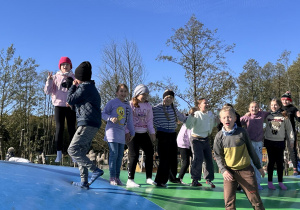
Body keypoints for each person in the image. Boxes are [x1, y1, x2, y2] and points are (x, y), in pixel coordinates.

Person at [213, 106, 265, 210]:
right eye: (224, 117)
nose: (227, 119)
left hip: (246, 171)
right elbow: (217, 155)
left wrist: (259, 167)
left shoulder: (242, 132)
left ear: (235, 118)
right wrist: (223, 170)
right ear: (220, 120)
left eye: (230, 117)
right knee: (229, 203)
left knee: (255, 200)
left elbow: (251, 150)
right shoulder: (219, 136)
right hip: (229, 173)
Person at [67, 61, 104, 189]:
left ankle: (95, 170)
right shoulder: (90, 88)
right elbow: (82, 106)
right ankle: (84, 182)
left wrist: (72, 87)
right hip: (92, 123)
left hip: (86, 124)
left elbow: (70, 99)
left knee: (72, 150)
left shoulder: (84, 87)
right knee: (81, 151)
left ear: (80, 78)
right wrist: (73, 106)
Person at [44, 57, 76, 162]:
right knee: (59, 129)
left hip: (70, 106)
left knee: (72, 129)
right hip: (58, 105)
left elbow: (78, 91)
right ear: (60, 66)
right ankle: (59, 154)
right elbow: (47, 91)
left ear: (70, 66)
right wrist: (49, 80)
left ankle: (72, 154)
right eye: (63, 65)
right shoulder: (55, 77)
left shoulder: (74, 77)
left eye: (67, 64)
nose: (65, 66)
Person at [102, 84, 135, 186]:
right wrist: (110, 118)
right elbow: (103, 113)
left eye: (125, 91)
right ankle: (112, 177)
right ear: (117, 92)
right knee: (114, 153)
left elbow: (129, 121)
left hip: (121, 133)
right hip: (111, 131)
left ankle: (117, 177)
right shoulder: (112, 102)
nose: (123, 93)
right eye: (121, 91)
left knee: (120, 156)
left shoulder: (128, 106)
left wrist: (132, 133)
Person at [152, 89, 187, 187]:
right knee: (164, 159)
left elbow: (181, 118)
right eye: (167, 97)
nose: (169, 99)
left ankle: (172, 177)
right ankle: (159, 180)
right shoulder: (156, 108)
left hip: (172, 134)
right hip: (162, 133)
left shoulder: (173, 108)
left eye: (171, 98)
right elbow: (148, 117)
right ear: (164, 98)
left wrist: (192, 118)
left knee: (173, 158)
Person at [126, 84, 156, 188]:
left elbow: (149, 121)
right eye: (143, 94)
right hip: (133, 133)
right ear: (137, 94)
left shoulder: (148, 106)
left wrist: (152, 133)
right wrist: (127, 132)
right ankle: (130, 179)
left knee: (150, 152)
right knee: (134, 155)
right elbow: (126, 119)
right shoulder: (130, 104)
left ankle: (148, 178)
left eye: (147, 95)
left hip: (143, 133)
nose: (145, 97)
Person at [185, 98, 217, 187]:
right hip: (196, 140)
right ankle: (195, 179)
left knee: (209, 159)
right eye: (205, 103)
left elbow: (213, 124)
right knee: (198, 159)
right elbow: (188, 126)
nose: (207, 104)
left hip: (206, 139)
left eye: (207, 103)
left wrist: (217, 119)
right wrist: (190, 117)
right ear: (199, 106)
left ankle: (209, 179)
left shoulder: (210, 114)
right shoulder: (195, 114)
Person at [264, 98, 294, 190]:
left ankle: (280, 182)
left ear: (279, 106)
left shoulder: (284, 116)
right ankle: (269, 182)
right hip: (269, 141)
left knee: (280, 162)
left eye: (275, 105)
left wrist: (292, 140)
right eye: (272, 105)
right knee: (271, 162)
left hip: (280, 142)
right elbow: (256, 120)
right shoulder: (267, 116)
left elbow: (289, 129)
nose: (274, 106)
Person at [240, 101, 269, 190]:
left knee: (258, 163)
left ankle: (257, 183)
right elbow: (237, 121)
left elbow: (271, 112)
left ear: (259, 108)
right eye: (252, 107)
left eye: (256, 107)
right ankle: (246, 184)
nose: (254, 109)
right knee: (249, 163)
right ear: (249, 109)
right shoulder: (247, 117)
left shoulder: (262, 114)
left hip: (259, 143)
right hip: (250, 143)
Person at [176, 107, 198, 184]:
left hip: (188, 144)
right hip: (183, 143)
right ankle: (179, 178)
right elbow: (190, 134)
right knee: (186, 162)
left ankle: (194, 178)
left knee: (196, 160)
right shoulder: (189, 120)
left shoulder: (192, 120)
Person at [281, 91, 300, 175]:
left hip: (291, 132)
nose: (285, 101)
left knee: (292, 150)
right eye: (283, 100)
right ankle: (279, 168)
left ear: (290, 100)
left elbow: (298, 120)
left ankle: (295, 169)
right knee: (279, 149)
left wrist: (299, 116)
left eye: (287, 100)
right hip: (280, 132)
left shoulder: (293, 108)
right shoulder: (279, 108)